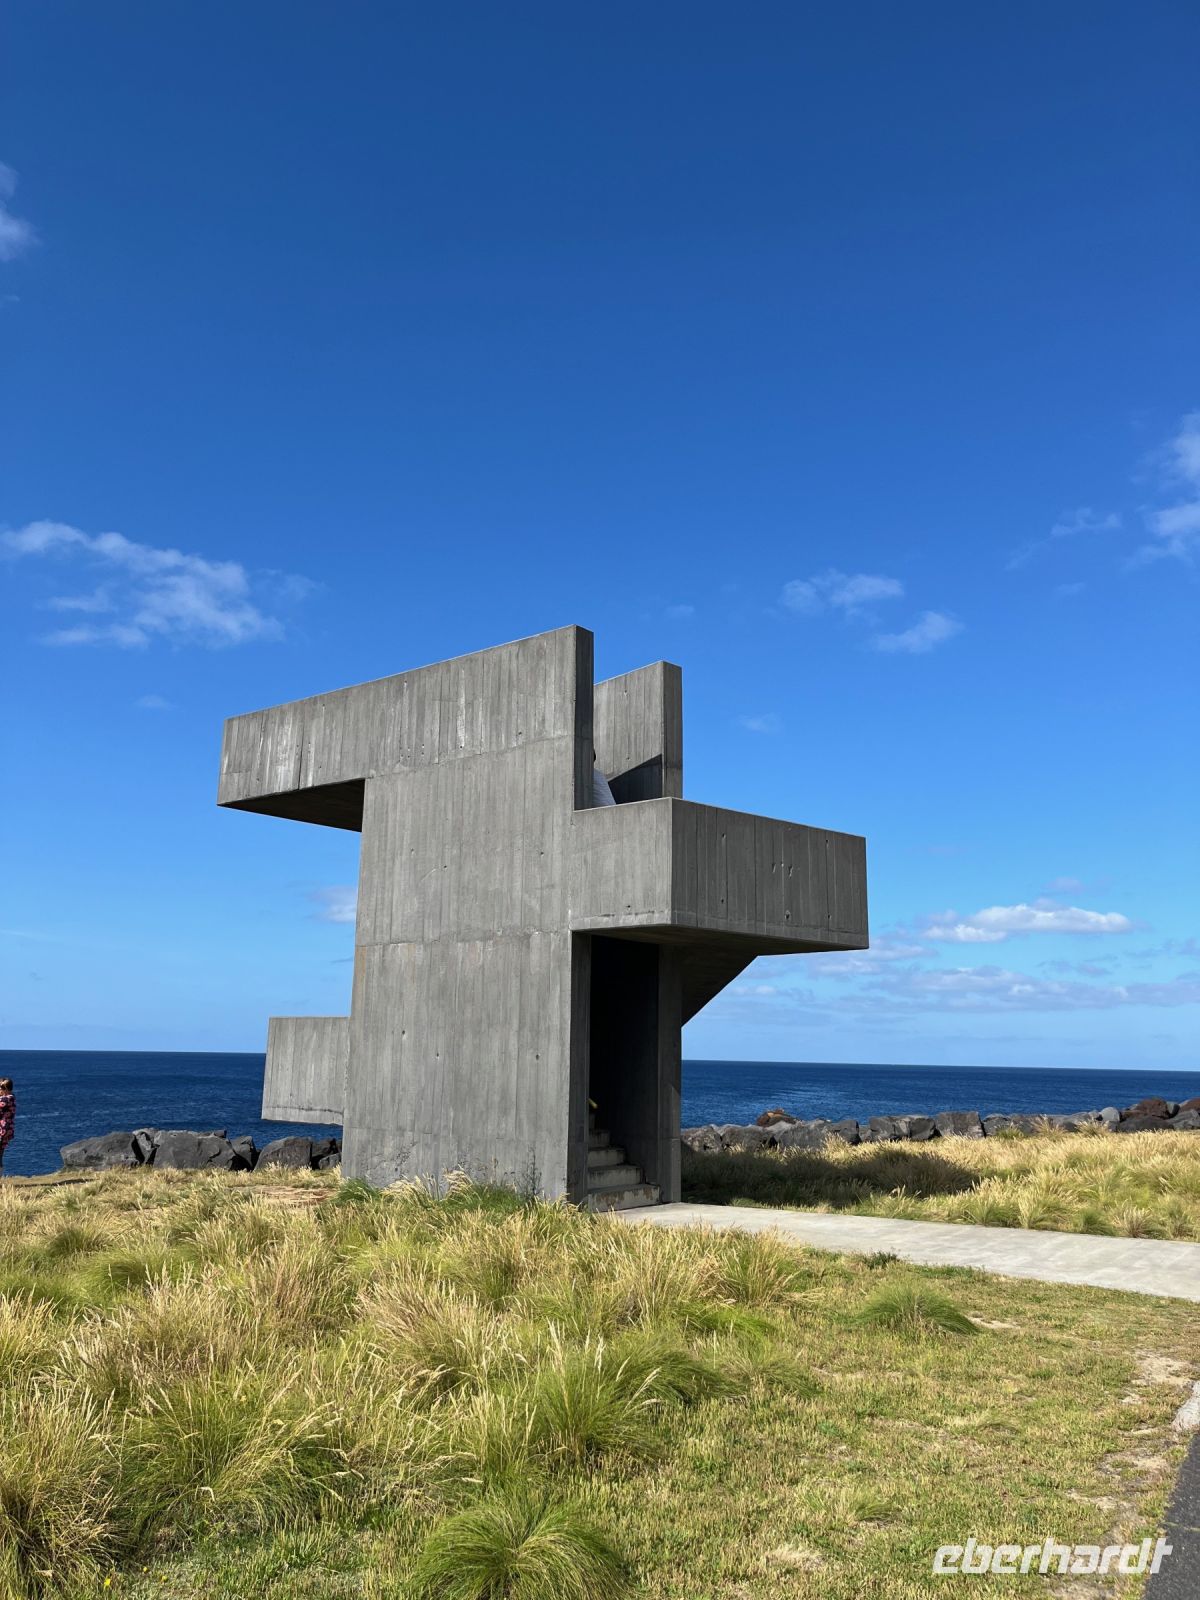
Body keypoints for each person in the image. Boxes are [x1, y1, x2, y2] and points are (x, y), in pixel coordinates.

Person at [0, 1078, 14, 1175]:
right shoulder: (11, 1098)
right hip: (7, 1131)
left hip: (2, 1131)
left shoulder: (6, 1099)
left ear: (4, 1089)